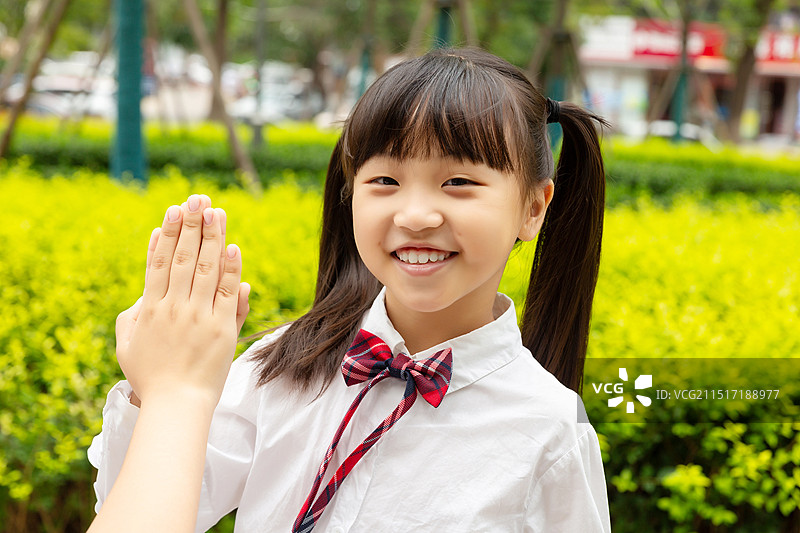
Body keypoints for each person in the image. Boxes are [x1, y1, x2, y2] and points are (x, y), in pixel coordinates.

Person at [88, 47, 612, 532]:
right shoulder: (282, 366)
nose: (415, 215)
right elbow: (140, 504)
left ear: (533, 208)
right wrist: (155, 386)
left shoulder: (550, 430)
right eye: (385, 181)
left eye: (458, 183)